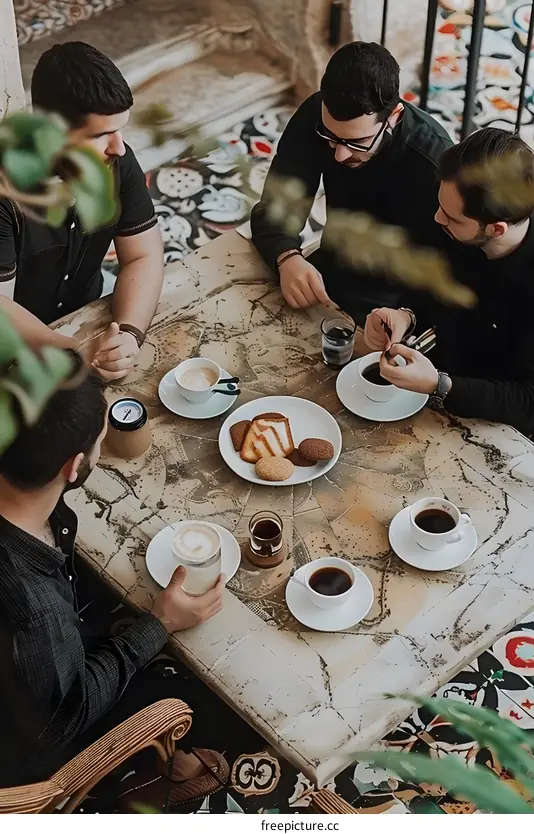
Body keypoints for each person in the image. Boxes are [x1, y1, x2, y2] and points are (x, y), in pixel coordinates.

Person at [0, 362, 234, 790]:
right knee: (203, 697)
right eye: (100, 440)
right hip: (33, 750)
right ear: (74, 467)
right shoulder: (32, 610)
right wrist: (159, 624)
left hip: (30, 671)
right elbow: (63, 721)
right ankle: (165, 765)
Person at [364, 127, 534, 437]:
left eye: (452, 218)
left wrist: (440, 385)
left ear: (496, 229)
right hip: (431, 378)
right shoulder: (451, 214)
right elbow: (425, 289)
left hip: (499, 417)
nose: (437, 218)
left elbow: (530, 402)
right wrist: (406, 316)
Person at [250, 41, 453, 326]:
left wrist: (407, 317)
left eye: (357, 142)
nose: (340, 154)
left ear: (393, 116)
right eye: (331, 138)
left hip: (399, 300)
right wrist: (286, 257)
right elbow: (274, 207)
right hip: (334, 265)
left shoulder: (435, 163)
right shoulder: (316, 116)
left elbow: (450, 271)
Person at [0, 41, 164, 381]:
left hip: (88, 314)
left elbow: (143, 255)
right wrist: (73, 351)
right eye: (102, 135)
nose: (119, 147)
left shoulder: (116, 162)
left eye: (120, 130)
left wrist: (129, 335)